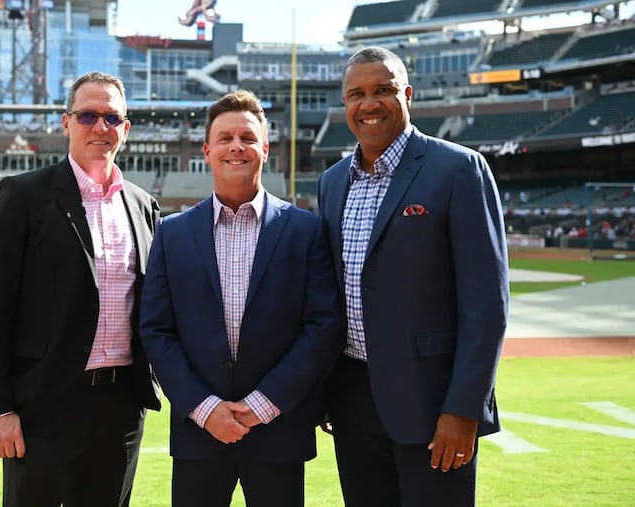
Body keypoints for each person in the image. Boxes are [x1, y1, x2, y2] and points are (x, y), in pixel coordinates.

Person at [317, 47, 509, 506]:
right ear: (345, 105)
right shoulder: (332, 181)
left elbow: (487, 306)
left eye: (382, 90)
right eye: (356, 94)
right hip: (352, 399)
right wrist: (325, 393)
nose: (368, 104)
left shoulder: (458, 169)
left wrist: (464, 409)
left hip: (432, 401)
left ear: (407, 94)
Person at [140, 89, 343, 507]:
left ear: (265, 149)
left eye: (248, 138)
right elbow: (156, 330)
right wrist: (203, 407)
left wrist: (263, 405)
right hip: (199, 433)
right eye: (226, 138)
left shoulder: (305, 230)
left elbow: (322, 327)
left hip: (278, 432)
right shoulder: (172, 233)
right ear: (208, 150)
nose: (237, 146)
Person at [0, 71, 161, 507]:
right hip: (43, 405)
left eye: (112, 117)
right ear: (66, 123)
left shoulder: (142, 205)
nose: (101, 127)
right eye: (88, 115)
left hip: (120, 407)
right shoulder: (23, 196)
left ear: (125, 129)